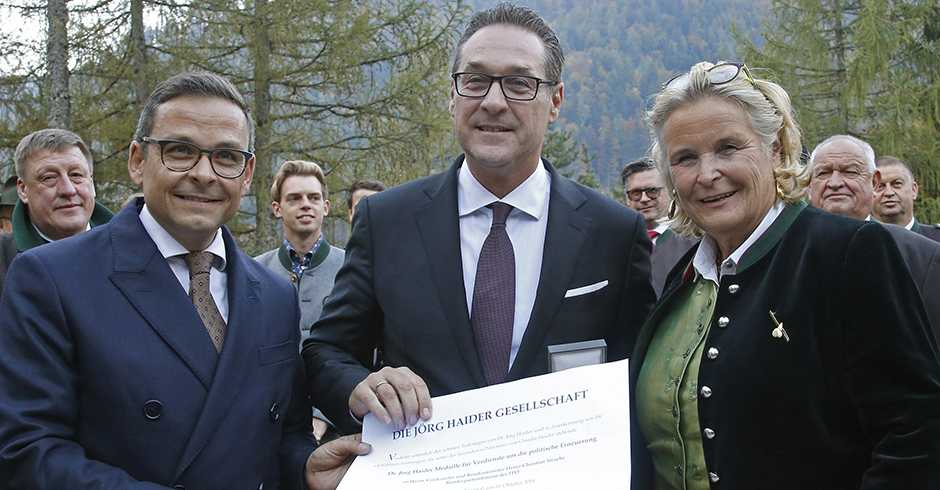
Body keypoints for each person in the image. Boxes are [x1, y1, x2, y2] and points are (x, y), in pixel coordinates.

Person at [0, 72, 368, 490]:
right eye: (180, 151)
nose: (204, 173)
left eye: (226, 157)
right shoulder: (51, 277)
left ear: (246, 174)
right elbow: (28, 452)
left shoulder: (275, 293)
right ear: (138, 161)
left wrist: (305, 467)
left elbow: (284, 432)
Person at [305, 2, 655, 436]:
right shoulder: (386, 222)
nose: (493, 102)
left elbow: (641, 376)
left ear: (555, 101)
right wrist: (360, 387)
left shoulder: (614, 233)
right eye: (475, 81)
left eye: (519, 83)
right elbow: (325, 351)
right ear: (453, 97)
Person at [631, 61, 940, 489]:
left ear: (775, 148)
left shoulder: (846, 252)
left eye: (727, 148)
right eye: (686, 158)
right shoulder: (683, 279)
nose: (707, 174)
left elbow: (916, 435)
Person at [808, 134, 940, 343]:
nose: (834, 183)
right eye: (823, 173)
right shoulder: (783, 254)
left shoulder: (924, 256)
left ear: (874, 183)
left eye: (849, 172)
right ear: (809, 184)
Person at [0, 129, 114, 298]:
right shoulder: (3, 260)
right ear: (23, 190)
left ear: (91, 183)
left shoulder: (135, 249)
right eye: (49, 178)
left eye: (76, 175)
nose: (68, 190)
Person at [256, 160, 345, 341]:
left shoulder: (351, 267)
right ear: (277, 209)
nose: (306, 205)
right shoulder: (255, 271)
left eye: (314, 198)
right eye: (294, 198)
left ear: (325, 207)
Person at [621, 157, 696, 296]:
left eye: (652, 191)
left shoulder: (694, 237)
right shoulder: (617, 244)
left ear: (669, 190)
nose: (644, 199)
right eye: (636, 193)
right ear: (627, 197)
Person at [873, 155, 940, 241]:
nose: (889, 193)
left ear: (914, 190)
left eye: (897, 184)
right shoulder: (858, 242)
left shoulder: (937, 239)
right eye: (880, 186)